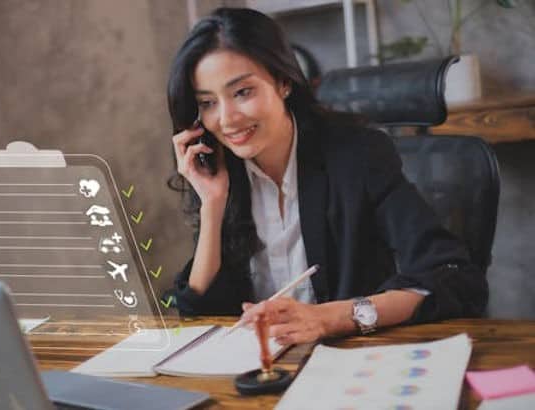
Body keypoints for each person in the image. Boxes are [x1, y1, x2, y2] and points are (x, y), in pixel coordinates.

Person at [166, 7, 487, 345]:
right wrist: (212, 205)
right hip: (263, 374)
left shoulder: (357, 156)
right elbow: (198, 312)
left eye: (242, 92)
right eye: (207, 103)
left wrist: (330, 318)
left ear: (283, 81)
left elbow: (454, 277)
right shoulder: (222, 172)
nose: (227, 119)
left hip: (351, 361)